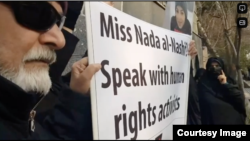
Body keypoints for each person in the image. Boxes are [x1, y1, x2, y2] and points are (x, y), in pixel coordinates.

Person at [0, 1, 101, 139]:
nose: (60, 40)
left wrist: (76, 95)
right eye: (36, 13)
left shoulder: (17, 111)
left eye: (58, 22)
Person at [197, 57, 246, 124]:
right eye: (211, 66)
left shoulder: (230, 82)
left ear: (222, 68)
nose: (214, 68)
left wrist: (225, 84)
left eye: (217, 66)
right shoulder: (203, 84)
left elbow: (239, 99)